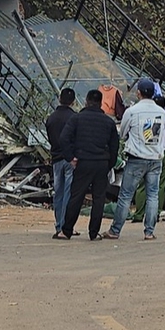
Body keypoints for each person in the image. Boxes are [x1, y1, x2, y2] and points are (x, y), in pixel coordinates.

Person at [109, 79, 165, 240]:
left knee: (126, 195)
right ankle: (149, 231)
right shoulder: (162, 112)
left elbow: (122, 133)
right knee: (153, 195)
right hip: (155, 158)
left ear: (138, 93)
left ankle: (115, 230)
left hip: (136, 158)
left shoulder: (132, 111)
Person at [59, 87, 120, 240]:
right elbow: (115, 146)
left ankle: (66, 230)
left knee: (76, 196)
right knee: (99, 198)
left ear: (86, 101)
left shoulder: (77, 119)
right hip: (101, 163)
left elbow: (64, 138)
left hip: (83, 161)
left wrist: (70, 157)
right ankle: (94, 233)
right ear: (100, 103)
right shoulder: (108, 122)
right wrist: (109, 164)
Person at [45, 87, 79, 238]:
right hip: (71, 159)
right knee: (68, 193)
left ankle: (59, 224)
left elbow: (50, 138)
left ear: (60, 99)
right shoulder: (75, 118)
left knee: (58, 193)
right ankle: (66, 225)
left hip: (57, 158)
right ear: (72, 102)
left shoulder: (51, 118)